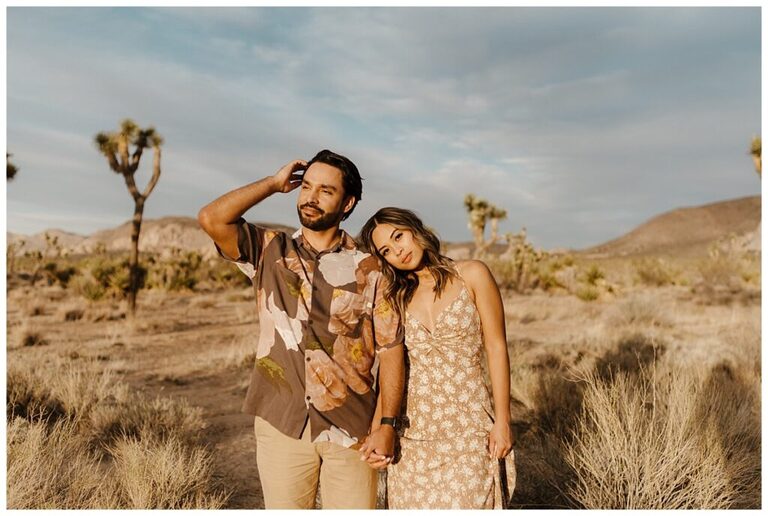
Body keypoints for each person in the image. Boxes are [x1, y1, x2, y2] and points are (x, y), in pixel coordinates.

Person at [197, 150, 405, 509]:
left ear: (348, 202)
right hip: (282, 422)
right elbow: (211, 218)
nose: (310, 197)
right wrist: (273, 183)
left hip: (352, 428)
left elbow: (391, 351)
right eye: (306, 186)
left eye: (326, 190)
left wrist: (386, 424)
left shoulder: (372, 269)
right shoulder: (269, 251)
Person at [357, 207, 515, 510]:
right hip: (413, 436)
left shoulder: (473, 274)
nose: (398, 251)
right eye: (387, 250)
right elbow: (392, 368)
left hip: (468, 430)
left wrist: (503, 420)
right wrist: (379, 429)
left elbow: (496, 347)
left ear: (415, 229)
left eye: (398, 236)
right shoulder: (394, 297)